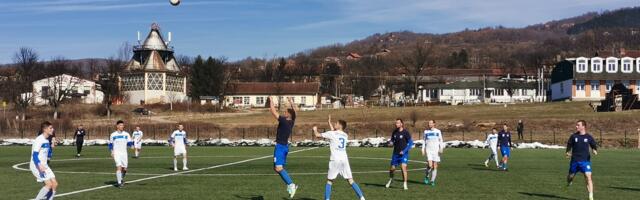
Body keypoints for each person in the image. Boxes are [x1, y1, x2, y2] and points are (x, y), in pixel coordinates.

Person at [312, 115, 365, 200]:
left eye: (336, 123)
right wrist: (329, 122)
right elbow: (334, 132)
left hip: (335, 160)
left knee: (329, 181)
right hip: (344, 160)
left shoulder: (332, 134)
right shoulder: (345, 135)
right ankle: (362, 197)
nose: (335, 124)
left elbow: (318, 135)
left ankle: (327, 199)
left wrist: (315, 130)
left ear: (340, 125)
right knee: (351, 180)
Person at [269, 96, 298, 198]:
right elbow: (295, 111)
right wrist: (291, 101)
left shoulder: (284, 120)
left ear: (288, 115)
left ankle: (291, 184)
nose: (284, 113)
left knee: (278, 168)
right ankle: (290, 185)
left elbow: (273, 111)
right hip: (284, 146)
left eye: (286, 112)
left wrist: (271, 100)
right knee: (276, 168)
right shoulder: (292, 121)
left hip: (281, 147)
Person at [566, 120, 598, 200]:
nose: (576, 126)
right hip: (574, 161)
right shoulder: (573, 136)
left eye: (578, 125)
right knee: (570, 176)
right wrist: (567, 152)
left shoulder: (589, 137)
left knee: (588, 177)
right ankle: (570, 181)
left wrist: (594, 149)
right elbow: (569, 145)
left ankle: (591, 196)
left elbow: (593, 145)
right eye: (576, 125)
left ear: (583, 126)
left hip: (585, 161)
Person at [31, 121, 58, 200]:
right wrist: (39, 165)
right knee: (49, 185)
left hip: (44, 165)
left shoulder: (46, 140)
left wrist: (51, 150)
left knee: (55, 184)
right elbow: (35, 155)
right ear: (45, 129)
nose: (52, 129)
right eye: (50, 128)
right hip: (36, 165)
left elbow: (47, 152)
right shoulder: (39, 140)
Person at [385, 118, 413, 190]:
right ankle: (391, 180)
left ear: (401, 124)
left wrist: (404, 151)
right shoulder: (394, 132)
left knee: (403, 167)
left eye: (398, 123)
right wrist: (390, 143)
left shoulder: (405, 132)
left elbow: (410, 143)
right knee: (392, 169)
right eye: (396, 123)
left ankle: (405, 183)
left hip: (404, 154)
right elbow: (392, 141)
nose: (396, 124)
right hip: (395, 153)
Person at [109, 120, 133, 188]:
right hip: (117, 153)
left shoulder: (126, 134)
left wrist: (131, 145)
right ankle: (119, 183)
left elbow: (129, 142)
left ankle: (121, 178)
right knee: (119, 167)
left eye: (123, 125)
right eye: (120, 125)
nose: (122, 126)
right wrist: (112, 152)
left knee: (124, 169)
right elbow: (111, 144)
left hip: (124, 153)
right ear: (117, 126)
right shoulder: (113, 134)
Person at [422, 120, 444, 186]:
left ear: (434, 124)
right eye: (429, 123)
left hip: (436, 150)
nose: (429, 124)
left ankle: (432, 181)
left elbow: (441, 140)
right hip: (429, 150)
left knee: (435, 166)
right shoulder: (426, 132)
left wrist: (441, 148)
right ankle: (426, 176)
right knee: (430, 165)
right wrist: (423, 149)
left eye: (431, 123)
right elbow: (424, 141)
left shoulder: (438, 131)